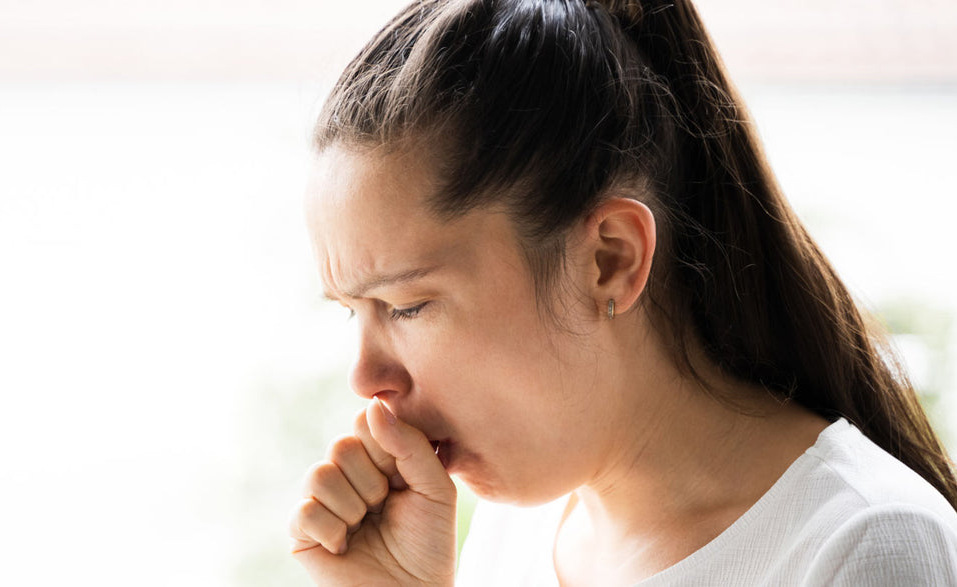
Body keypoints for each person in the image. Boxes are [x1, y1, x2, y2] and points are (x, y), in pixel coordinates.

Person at [286, 0, 957, 584]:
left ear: (610, 258)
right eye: (352, 310)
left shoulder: (865, 548)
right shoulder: (520, 528)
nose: (365, 377)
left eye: (407, 305)